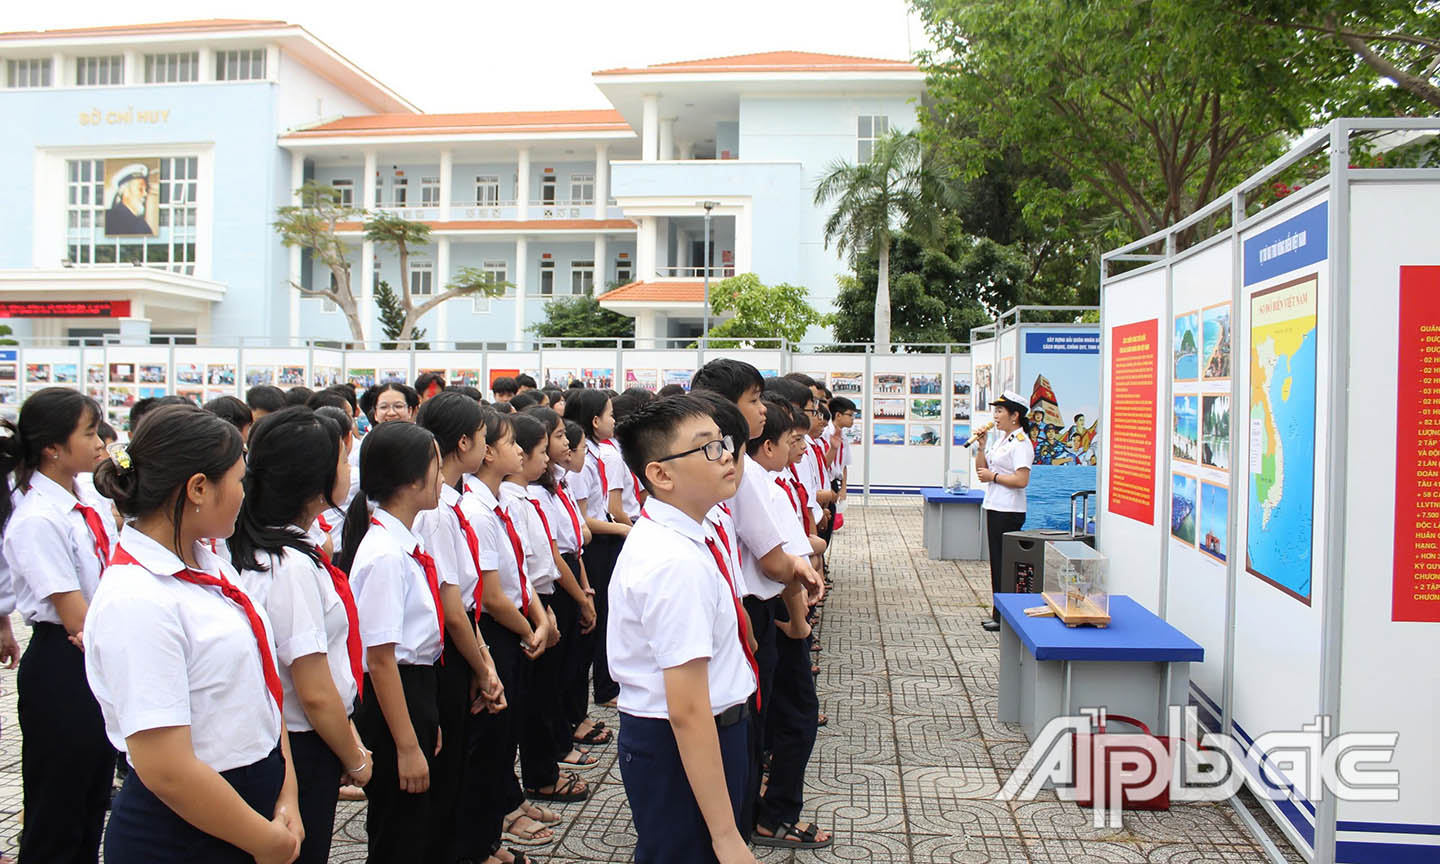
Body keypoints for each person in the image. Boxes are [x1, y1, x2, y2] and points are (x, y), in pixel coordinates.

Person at [84, 403, 304, 863]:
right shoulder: (137, 598)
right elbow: (166, 768)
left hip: (252, 806)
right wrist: (268, 843)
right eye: (239, 480)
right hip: (185, 832)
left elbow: (258, 690)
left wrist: (287, 794)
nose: (245, 493)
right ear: (199, 488)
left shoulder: (209, 564)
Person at [609, 395, 756, 864]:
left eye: (724, 442)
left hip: (706, 736)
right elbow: (688, 709)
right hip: (680, 745)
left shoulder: (691, 528)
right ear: (661, 475)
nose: (727, 455)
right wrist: (727, 835)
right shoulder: (673, 561)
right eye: (707, 448)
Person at [230, 407, 370, 864]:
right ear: (314, 480)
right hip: (301, 744)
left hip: (295, 738)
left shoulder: (278, 548)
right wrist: (355, 760)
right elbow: (313, 691)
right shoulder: (288, 568)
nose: (350, 469)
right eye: (343, 460)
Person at [0, 388, 116, 863]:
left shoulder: (83, 494)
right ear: (52, 447)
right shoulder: (37, 518)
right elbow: (74, 615)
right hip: (65, 660)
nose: (100, 442)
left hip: (96, 650)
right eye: (89, 433)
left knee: (91, 799)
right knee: (58, 806)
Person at [335, 420, 445, 862]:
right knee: (397, 831)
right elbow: (379, 661)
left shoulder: (402, 543)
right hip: (393, 695)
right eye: (436, 468)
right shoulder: (383, 555)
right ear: (412, 479)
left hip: (413, 690)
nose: (442, 479)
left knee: (412, 823)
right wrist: (407, 744)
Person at [457, 409, 558, 859]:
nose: (519, 450)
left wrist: (539, 618)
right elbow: (493, 595)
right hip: (498, 629)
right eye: (508, 442)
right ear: (485, 453)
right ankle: (481, 843)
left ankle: (493, 828)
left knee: (504, 738)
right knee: (489, 745)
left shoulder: (497, 503)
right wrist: (530, 627)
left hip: (516, 623)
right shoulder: (476, 512)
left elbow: (519, 571)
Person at [413, 393, 507, 864]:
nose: (489, 447)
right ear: (465, 441)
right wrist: (484, 666)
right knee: (447, 775)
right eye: (485, 437)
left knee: (459, 773)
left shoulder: (451, 502)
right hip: (448, 648)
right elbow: (451, 607)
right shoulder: (434, 510)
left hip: (462, 640)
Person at [563, 388, 628, 708]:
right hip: (592, 544)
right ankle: (601, 690)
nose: (613, 420)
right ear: (594, 420)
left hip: (602, 538)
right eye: (609, 414)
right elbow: (583, 519)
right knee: (593, 620)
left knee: (604, 616)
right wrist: (624, 529)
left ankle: (604, 686)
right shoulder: (580, 460)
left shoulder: (597, 453)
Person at [973, 389, 1033, 632]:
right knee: (996, 563)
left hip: (1009, 509)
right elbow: (981, 473)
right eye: (995, 411)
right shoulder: (1002, 440)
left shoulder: (1021, 443)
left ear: (1015, 416)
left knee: (1004, 565)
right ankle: (999, 613)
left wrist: (994, 476)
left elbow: (1021, 480)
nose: (995, 416)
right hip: (995, 505)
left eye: (1000, 411)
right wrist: (981, 447)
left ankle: (1004, 617)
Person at [104, 164, 155, 236]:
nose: (145, 194)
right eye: (140, 189)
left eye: (145, 189)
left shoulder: (143, 226)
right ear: (125, 191)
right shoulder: (109, 219)